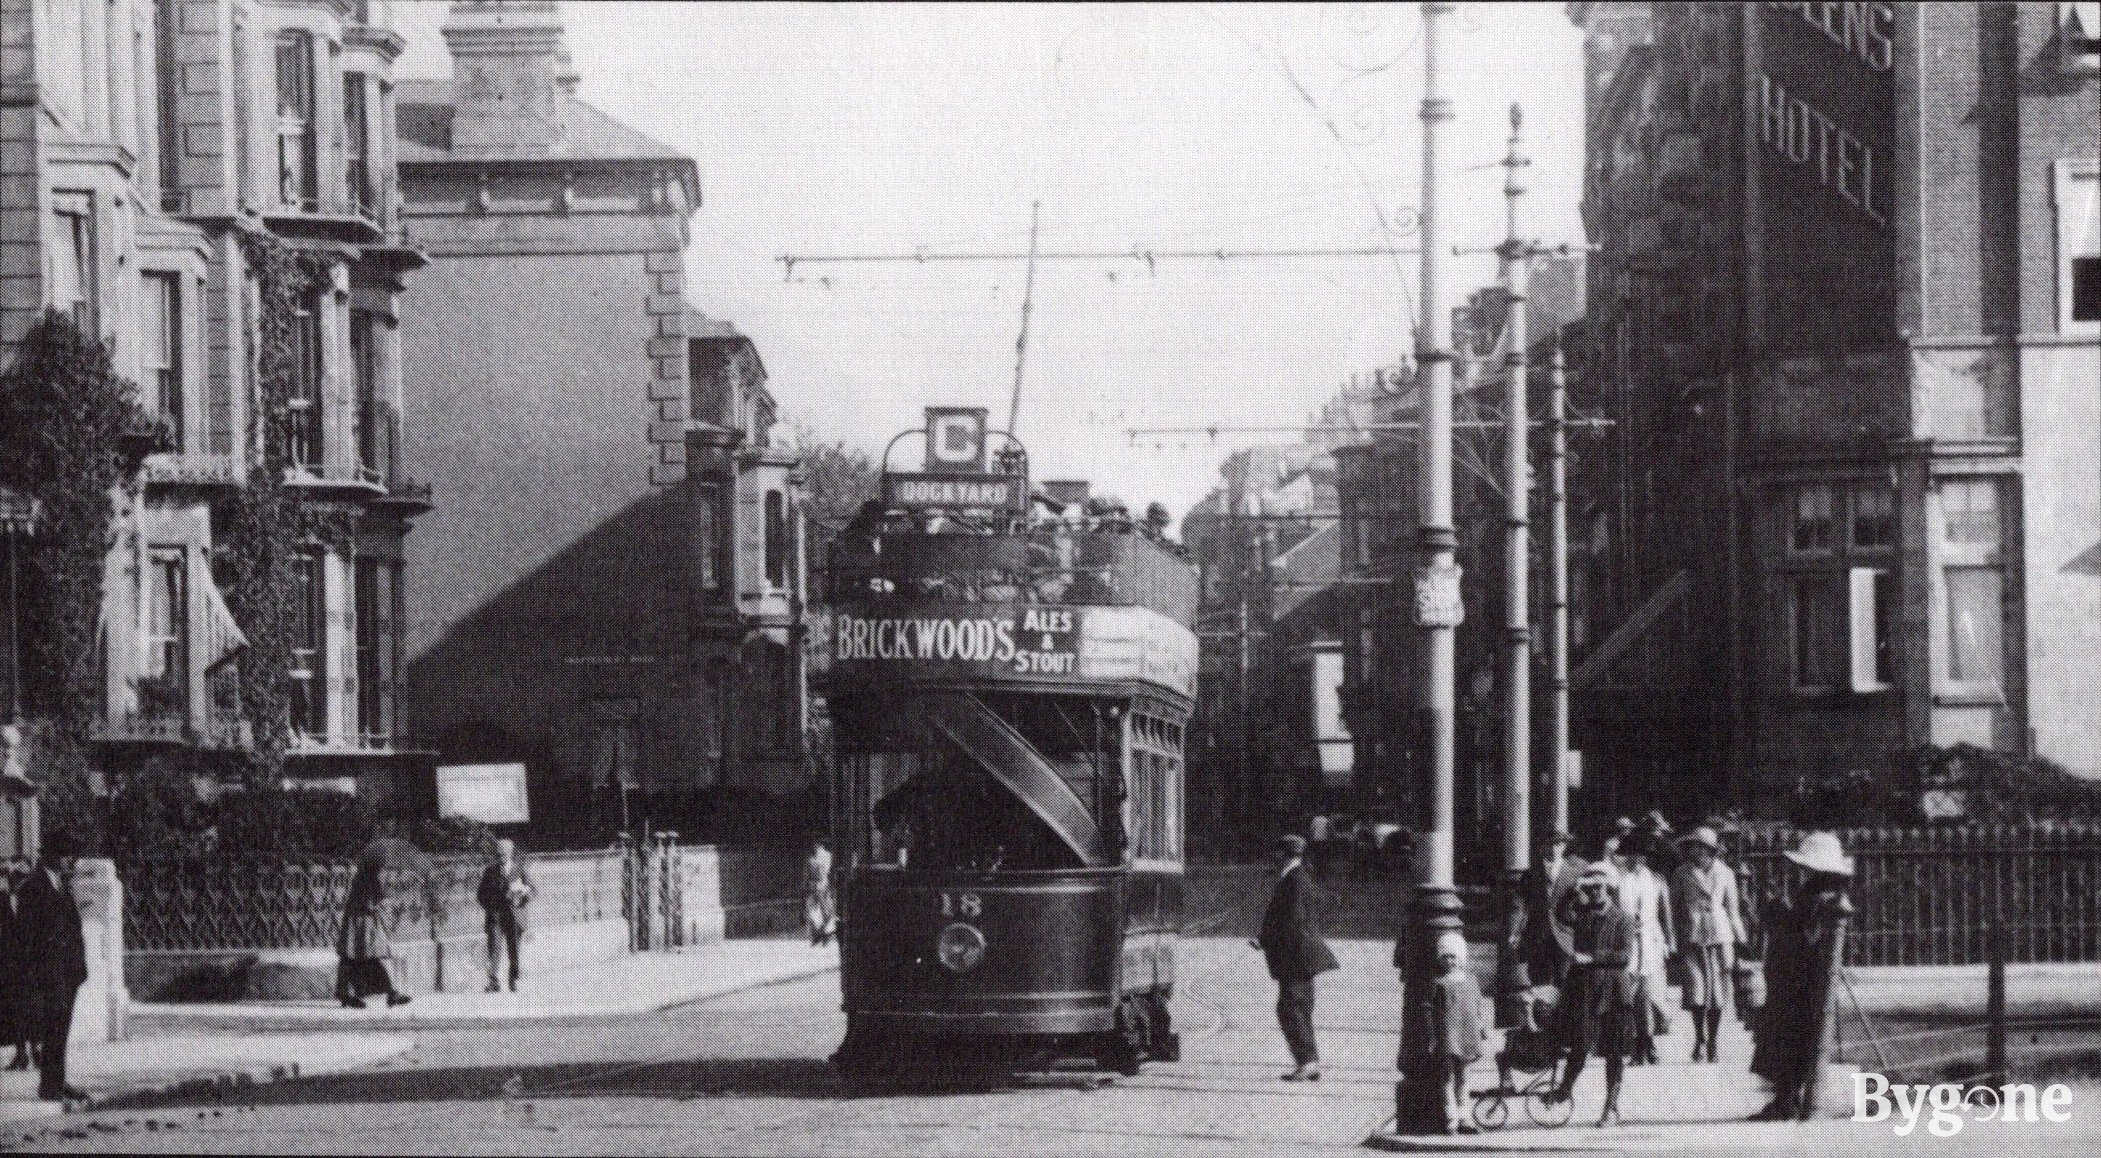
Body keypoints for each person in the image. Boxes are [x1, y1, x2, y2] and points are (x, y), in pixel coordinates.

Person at [1750, 831, 1853, 1121]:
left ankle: (1786, 1100)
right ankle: (1788, 1098)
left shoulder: (1816, 897)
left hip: (1797, 983)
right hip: (1800, 981)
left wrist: (1776, 912)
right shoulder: (1825, 894)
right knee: (1792, 1038)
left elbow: (1801, 939)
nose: (1802, 870)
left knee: (1786, 1038)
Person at [1550, 864, 1639, 1126]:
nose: (1594, 892)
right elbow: (1561, 913)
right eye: (1589, 888)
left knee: (1614, 1051)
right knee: (1579, 1046)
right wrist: (1572, 891)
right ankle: (1564, 1090)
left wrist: (1591, 958)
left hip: (1612, 991)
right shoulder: (1584, 915)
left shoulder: (1623, 918)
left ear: (1608, 888)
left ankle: (1611, 1106)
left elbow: (1624, 957)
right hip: (1585, 990)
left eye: (1598, 887)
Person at [1253, 834, 1338, 1081]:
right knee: (1299, 1007)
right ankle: (1308, 1061)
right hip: (1299, 955)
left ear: (1283, 854)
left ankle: (1307, 1062)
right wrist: (1263, 939)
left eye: (1277, 853)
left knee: (1290, 1008)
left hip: (1295, 956)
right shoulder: (1297, 877)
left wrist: (1272, 943)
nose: (1274, 857)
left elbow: (1292, 920)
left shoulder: (1294, 879)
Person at [13, 832, 87, 1103]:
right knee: (53, 1027)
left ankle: (57, 1080)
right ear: (53, 855)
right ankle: (49, 1085)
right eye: (67, 855)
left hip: (66, 972)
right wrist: (33, 974)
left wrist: (79, 968)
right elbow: (27, 936)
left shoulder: (60, 885)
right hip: (48, 971)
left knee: (61, 1027)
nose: (72, 861)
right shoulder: (33, 887)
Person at [1670, 826, 1749, 1063]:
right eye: (1693, 846)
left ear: (1710, 850)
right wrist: (1674, 940)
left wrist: (1741, 937)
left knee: (1716, 993)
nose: (1696, 850)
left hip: (1720, 935)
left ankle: (1713, 1040)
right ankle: (1699, 1037)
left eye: (1700, 847)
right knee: (1696, 991)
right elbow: (1675, 910)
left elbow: (1733, 910)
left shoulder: (1725, 873)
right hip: (1692, 936)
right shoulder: (1681, 874)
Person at [1612, 833, 1675, 1064]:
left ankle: (1648, 1041)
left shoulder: (1656, 880)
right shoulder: (1619, 880)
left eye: (1641, 856)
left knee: (1647, 995)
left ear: (1647, 858)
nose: (1637, 860)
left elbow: (1665, 913)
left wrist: (1669, 940)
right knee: (1628, 995)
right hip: (1626, 941)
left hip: (1650, 939)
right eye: (1633, 855)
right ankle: (1634, 1044)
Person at [1431, 930, 1486, 1135]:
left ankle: (1464, 1117)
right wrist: (1433, 1036)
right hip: (1447, 1036)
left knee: (1464, 1077)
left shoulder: (1471, 981)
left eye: (1453, 956)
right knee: (1447, 1077)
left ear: (1461, 957)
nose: (1450, 961)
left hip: (1467, 1033)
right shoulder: (1439, 983)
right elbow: (1431, 1010)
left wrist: (1481, 1027)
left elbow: (1478, 1005)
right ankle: (1451, 1119)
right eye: (1445, 956)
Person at [336, 861, 411, 1009]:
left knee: (353, 958)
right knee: (369, 957)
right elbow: (371, 903)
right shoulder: (370, 879)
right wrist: (388, 902)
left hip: (356, 922)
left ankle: (346, 994)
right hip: (363, 924)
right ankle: (390, 994)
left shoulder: (361, 877)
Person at [476, 839, 534, 992]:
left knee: (514, 949)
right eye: (498, 851)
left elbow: (533, 890)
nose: (500, 854)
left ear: (510, 852)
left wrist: (522, 895)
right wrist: (490, 906)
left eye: (503, 851)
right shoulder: (490, 871)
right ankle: (493, 981)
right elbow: (481, 894)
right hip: (496, 916)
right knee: (494, 947)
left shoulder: (519, 869)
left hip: (515, 916)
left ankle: (513, 978)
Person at [803, 837, 836, 946]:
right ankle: (822, 934)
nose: (814, 847)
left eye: (815, 845)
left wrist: (806, 883)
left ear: (818, 844)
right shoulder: (828, 856)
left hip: (818, 884)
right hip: (823, 884)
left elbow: (810, 873)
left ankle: (821, 934)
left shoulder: (814, 858)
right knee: (824, 911)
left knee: (815, 910)